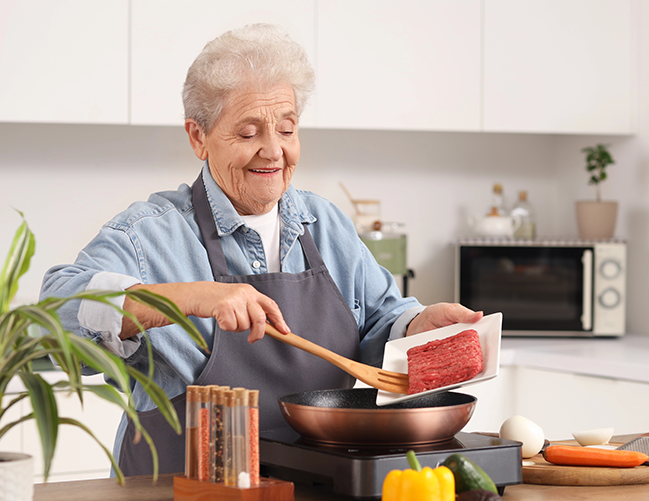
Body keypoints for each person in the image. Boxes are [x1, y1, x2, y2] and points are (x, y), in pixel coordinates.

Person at [39, 23, 481, 477]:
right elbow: (56, 314)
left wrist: (419, 325)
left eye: (287, 130)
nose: (273, 151)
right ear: (198, 137)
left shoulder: (325, 224)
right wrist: (192, 297)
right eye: (248, 133)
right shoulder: (148, 235)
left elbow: (381, 322)